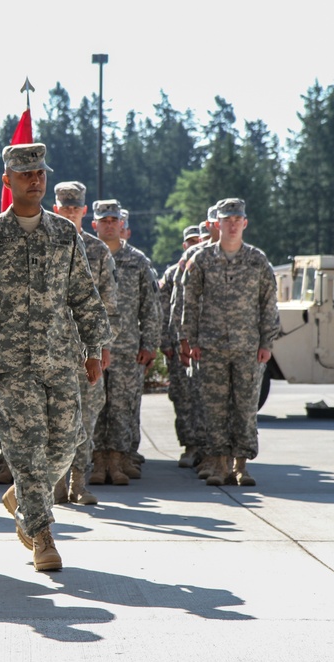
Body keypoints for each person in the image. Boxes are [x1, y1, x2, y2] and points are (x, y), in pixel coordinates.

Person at [0, 144, 111, 571]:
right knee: (27, 450)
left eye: (39, 173)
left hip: (60, 358)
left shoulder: (65, 234)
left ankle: (23, 495)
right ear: (7, 181)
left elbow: (83, 295)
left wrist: (94, 347)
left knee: (66, 443)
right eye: (26, 173)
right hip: (11, 365)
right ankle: (42, 536)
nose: (35, 179)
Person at [181, 198, 280, 486]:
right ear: (217, 224)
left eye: (237, 219)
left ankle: (241, 465)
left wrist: (266, 342)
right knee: (215, 407)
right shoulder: (202, 259)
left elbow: (268, 303)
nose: (233, 224)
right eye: (227, 219)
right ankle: (219, 464)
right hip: (211, 346)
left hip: (248, 346)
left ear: (245, 223)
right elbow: (190, 300)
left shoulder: (257, 260)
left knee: (246, 407)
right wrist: (192, 338)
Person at [51, 180, 116, 505]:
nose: (71, 212)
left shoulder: (97, 250)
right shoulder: (46, 243)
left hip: (87, 350)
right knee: (56, 421)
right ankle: (57, 483)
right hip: (54, 351)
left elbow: (108, 304)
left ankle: (80, 482)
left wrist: (103, 347)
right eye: (66, 207)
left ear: (84, 210)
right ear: (56, 208)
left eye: (76, 208)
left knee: (87, 417)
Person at [89, 199, 161, 485]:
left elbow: (150, 308)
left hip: (127, 348)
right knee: (94, 406)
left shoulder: (138, 261)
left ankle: (118, 462)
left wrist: (149, 344)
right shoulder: (84, 255)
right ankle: (96, 463)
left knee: (121, 407)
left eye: (113, 220)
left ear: (122, 224)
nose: (109, 224)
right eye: (103, 220)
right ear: (94, 225)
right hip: (91, 348)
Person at [159, 225, 203, 467]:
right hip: (178, 349)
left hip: (203, 346)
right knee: (183, 399)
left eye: (199, 240)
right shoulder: (172, 275)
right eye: (191, 241)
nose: (195, 244)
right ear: (184, 245)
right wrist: (166, 343)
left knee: (204, 399)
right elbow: (164, 310)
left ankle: (208, 449)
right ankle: (189, 446)